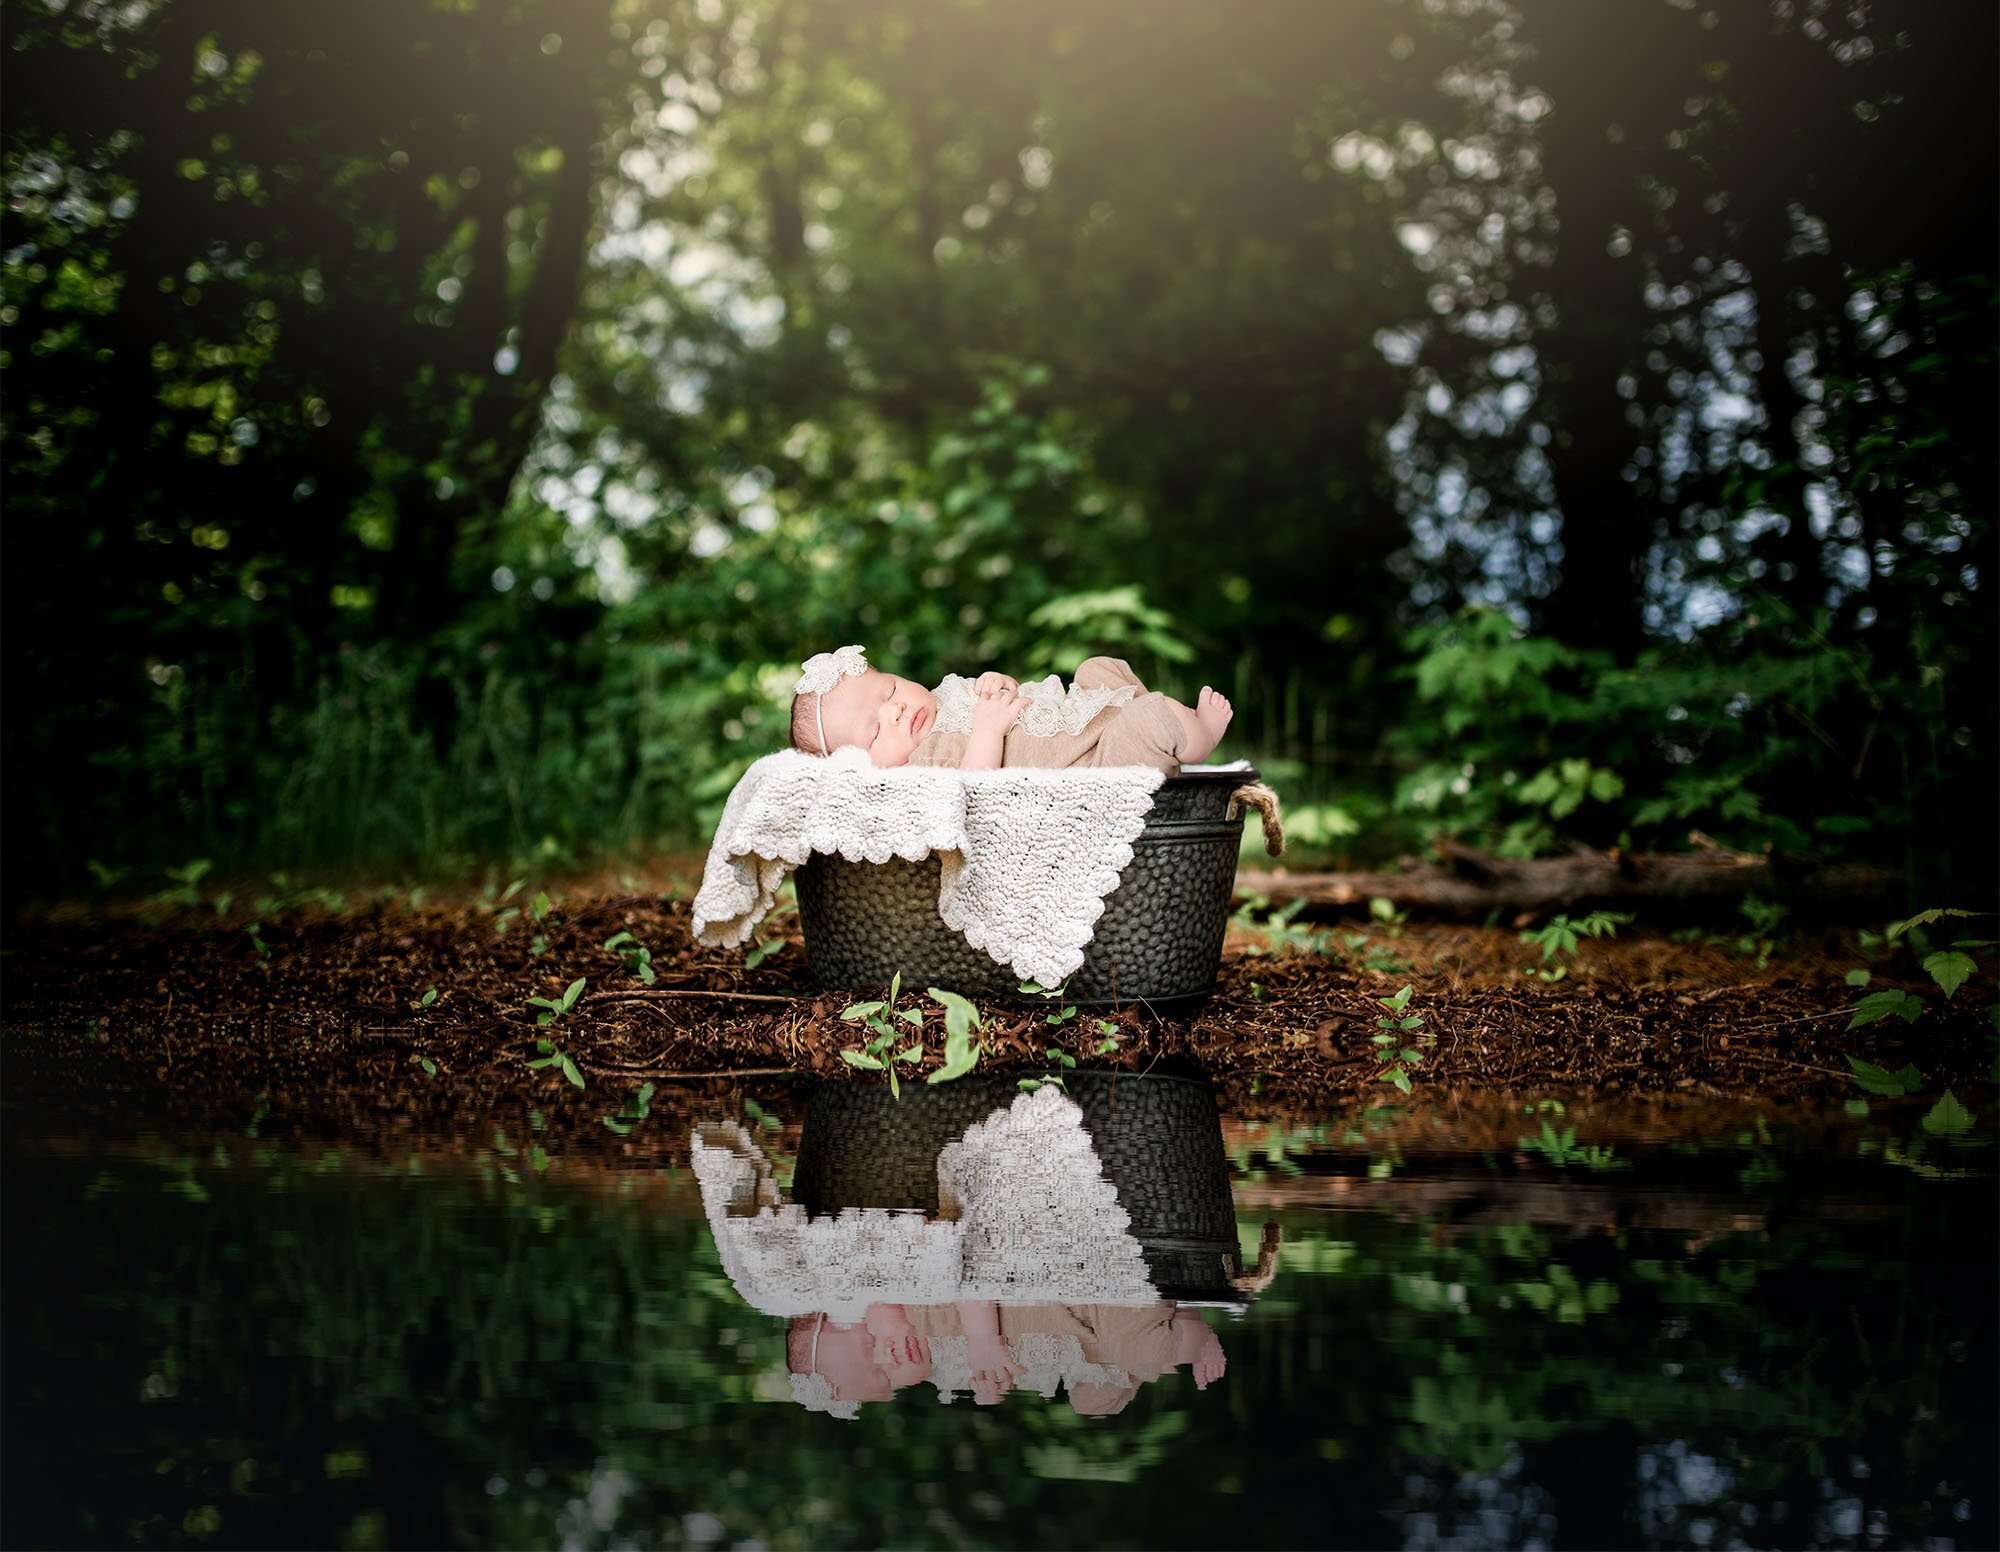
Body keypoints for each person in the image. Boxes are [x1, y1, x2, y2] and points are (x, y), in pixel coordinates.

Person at [787, 644, 1232, 772]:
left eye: (888, 691)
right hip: (1093, 759)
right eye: (875, 731)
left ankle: (1163, 729)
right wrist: (987, 730)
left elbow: (1014, 695)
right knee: (1151, 714)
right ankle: (1198, 739)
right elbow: (976, 788)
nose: (896, 712)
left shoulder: (947, 692)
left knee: (1098, 667)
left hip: (1079, 712)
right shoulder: (927, 758)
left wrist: (1000, 683)